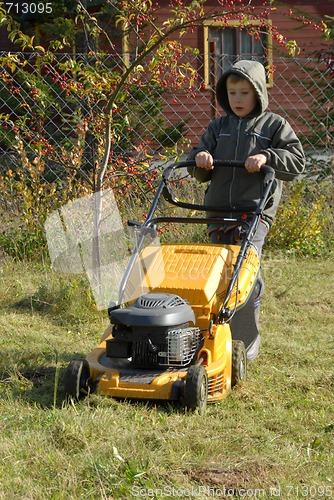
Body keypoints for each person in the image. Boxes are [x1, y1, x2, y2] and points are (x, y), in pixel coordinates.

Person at [187, 60, 305, 360]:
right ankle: (213, 334)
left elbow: (296, 162)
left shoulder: (274, 125)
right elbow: (198, 168)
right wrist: (200, 157)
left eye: (244, 92)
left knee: (244, 273)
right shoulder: (218, 127)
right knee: (218, 273)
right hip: (218, 213)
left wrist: (267, 156)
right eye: (232, 93)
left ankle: (245, 339)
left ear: (258, 94)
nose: (238, 99)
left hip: (254, 213)